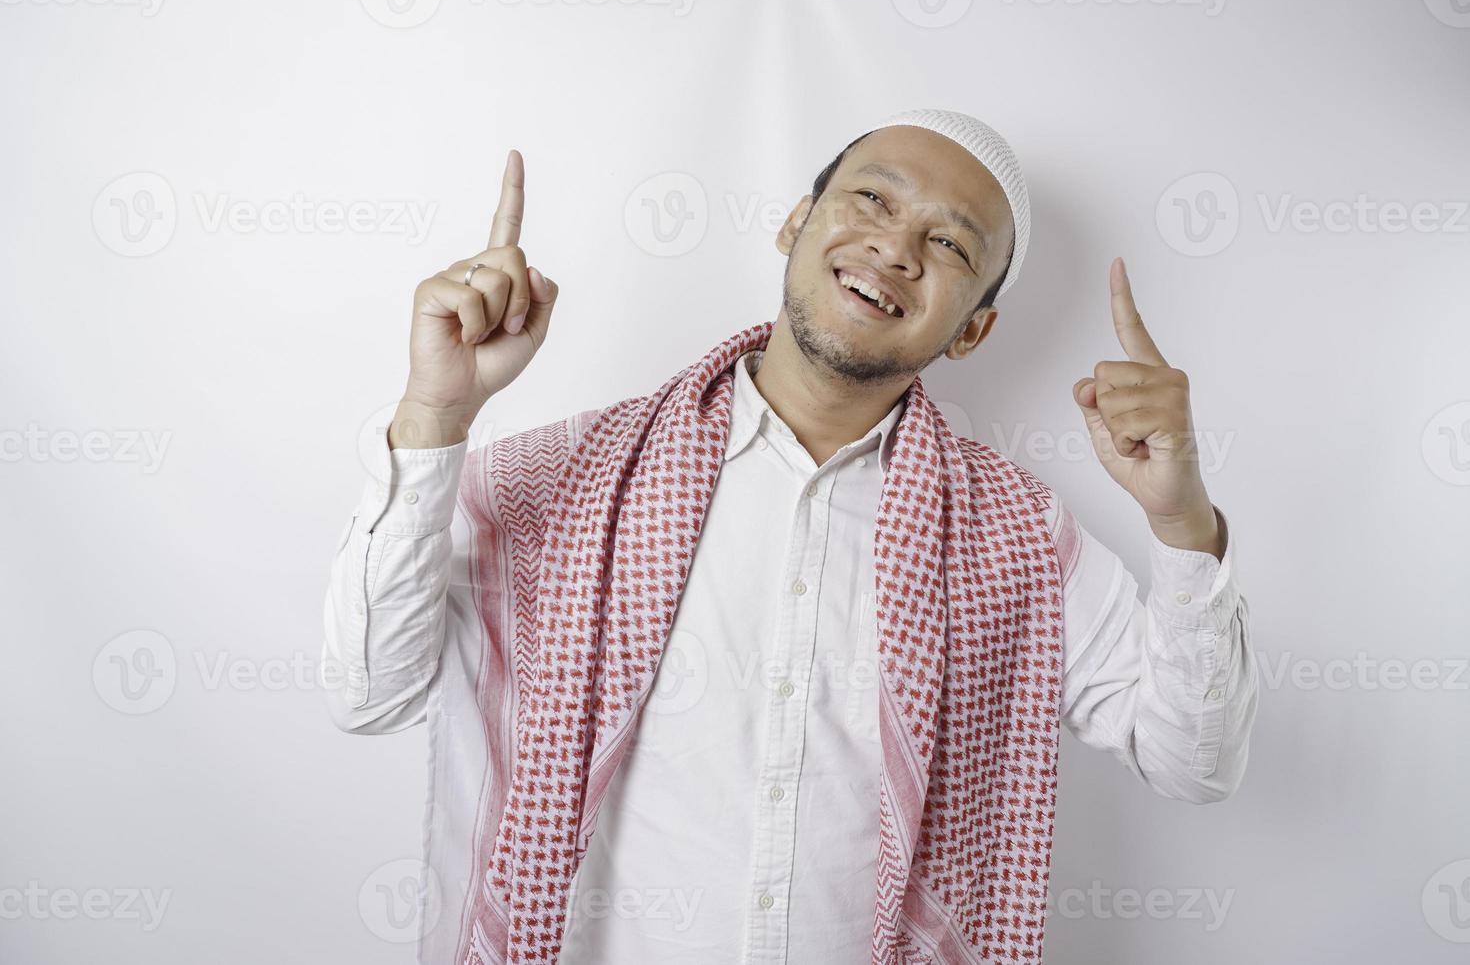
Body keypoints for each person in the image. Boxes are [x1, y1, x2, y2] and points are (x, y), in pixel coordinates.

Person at [321, 109, 1259, 965]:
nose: (895, 248)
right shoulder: (564, 479)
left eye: (947, 243)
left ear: (974, 330)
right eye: (871, 200)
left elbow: (1196, 764)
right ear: (796, 222)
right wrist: (435, 410)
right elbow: (368, 693)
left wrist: (1180, 524)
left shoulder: (1017, 536)